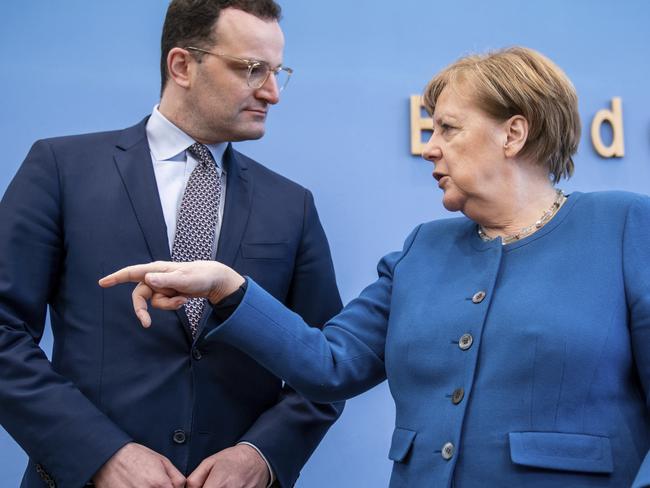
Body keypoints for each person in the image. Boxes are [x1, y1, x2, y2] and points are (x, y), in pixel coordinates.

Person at [102, 46, 650, 487]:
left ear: (513, 133)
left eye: (448, 129)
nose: (428, 148)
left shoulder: (625, 227)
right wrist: (229, 287)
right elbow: (329, 364)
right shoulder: (422, 250)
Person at [0, 1, 343, 487]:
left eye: (277, 71)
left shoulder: (294, 206)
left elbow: (328, 363)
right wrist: (99, 453)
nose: (272, 92)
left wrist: (260, 455)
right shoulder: (61, 169)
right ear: (182, 65)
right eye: (252, 69)